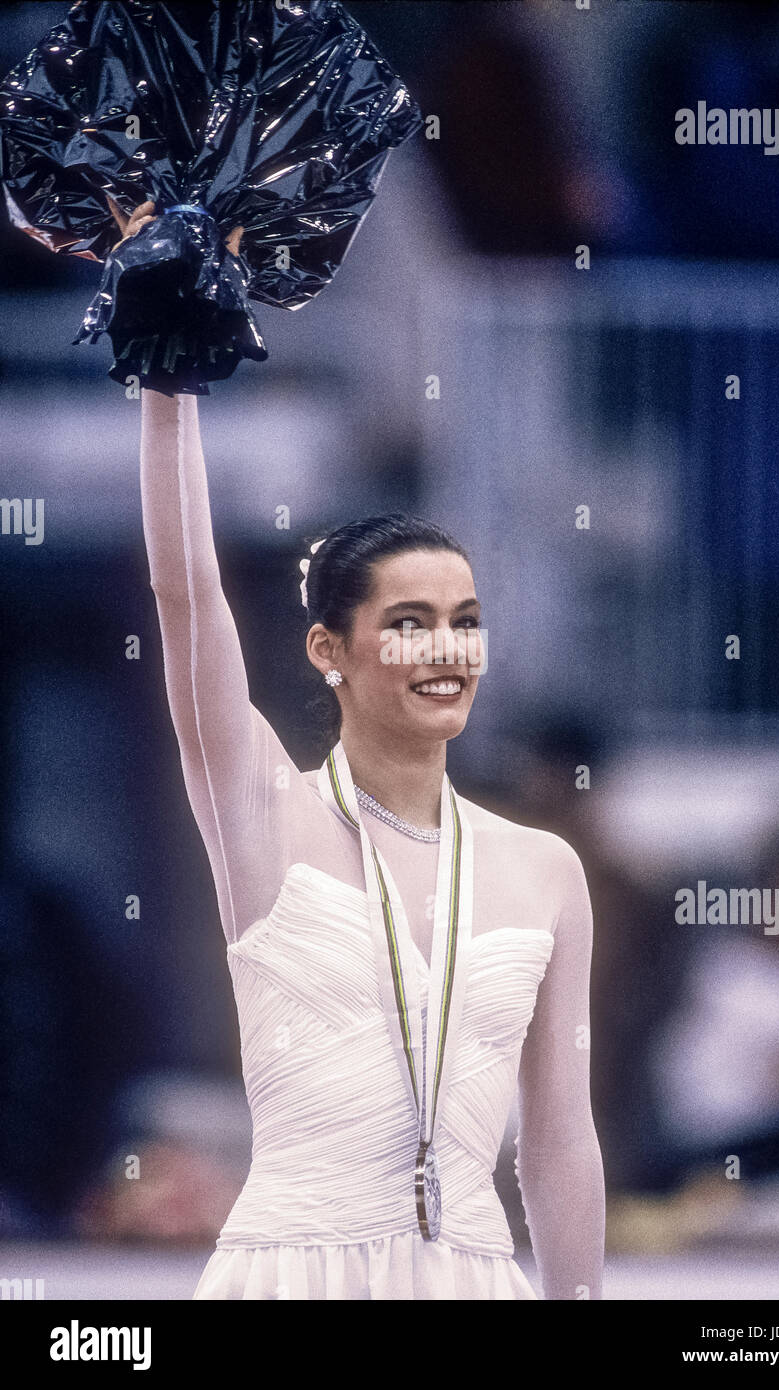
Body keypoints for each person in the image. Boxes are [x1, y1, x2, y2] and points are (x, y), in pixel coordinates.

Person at [119, 199, 604, 1300]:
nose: (449, 648)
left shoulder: (546, 869)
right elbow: (186, 596)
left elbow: (562, 1141)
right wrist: (167, 389)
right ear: (329, 649)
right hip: (292, 1276)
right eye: (411, 621)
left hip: (474, 1277)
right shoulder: (261, 810)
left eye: (467, 618)